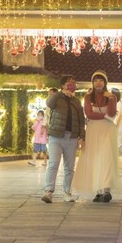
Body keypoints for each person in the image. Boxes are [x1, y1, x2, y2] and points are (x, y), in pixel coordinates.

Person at [72, 70, 121, 203]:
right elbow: (89, 114)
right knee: (94, 158)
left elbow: (111, 113)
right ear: (92, 83)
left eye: (101, 80)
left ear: (105, 82)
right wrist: (104, 116)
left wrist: (110, 99)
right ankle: (98, 191)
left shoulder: (112, 97)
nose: (98, 82)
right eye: (95, 80)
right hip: (93, 129)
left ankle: (106, 190)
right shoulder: (88, 97)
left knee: (107, 157)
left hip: (107, 130)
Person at [41, 75, 85, 204]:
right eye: (69, 82)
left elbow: (81, 120)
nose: (72, 84)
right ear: (62, 85)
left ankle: (67, 192)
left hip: (71, 137)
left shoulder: (76, 101)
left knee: (69, 167)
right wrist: (60, 93)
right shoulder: (57, 98)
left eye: (73, 82)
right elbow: (48, 103)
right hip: (56, 136)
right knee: (53, 164)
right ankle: (48, 192)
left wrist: (82, 136)